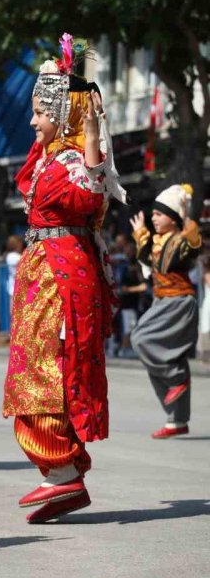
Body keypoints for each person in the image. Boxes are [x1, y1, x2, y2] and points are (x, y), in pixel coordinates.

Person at [2, 33, 126, 524]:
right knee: (35, 370)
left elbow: (93, 196)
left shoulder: (77, 160)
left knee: (48, 373)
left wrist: (91, 136)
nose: (33, 120)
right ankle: (63, 474)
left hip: (60, 278)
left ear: (65, 116)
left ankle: (62, 473)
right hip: (42, 274)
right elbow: (30, 183)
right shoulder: (52, 156)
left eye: (40, 112)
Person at [130, 184, 202, 438]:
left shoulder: (182, 239)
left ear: (173, 218)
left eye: (159, 214)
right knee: (162, 357)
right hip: (162, 302)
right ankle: (177, 420)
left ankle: (176, 379)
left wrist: (187, 219)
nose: (153, 218)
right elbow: (148, 262)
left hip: (179, 302)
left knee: (141, 340)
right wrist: (140, 235)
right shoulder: (158, 240)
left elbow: (194, 244)